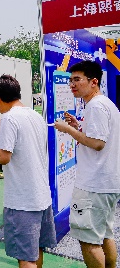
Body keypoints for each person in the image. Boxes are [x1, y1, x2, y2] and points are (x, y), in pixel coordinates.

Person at [0, 75, 56, 268]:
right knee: (36, 249)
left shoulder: (9, 118)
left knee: (25, 256)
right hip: (41, 196)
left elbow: (4, 156)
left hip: (22, 200)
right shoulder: (35, 116)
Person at [54, 61, 120, 268]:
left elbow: (98, 143)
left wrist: (68, 130)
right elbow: (99, 137)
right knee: (105, 234)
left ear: (93, 82)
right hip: (107, 183)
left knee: (89, 241)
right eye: (70, 80)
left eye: (77, 79)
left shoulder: (96, 106)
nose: (72, 84)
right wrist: (79, 126)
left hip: (94, 185)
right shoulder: (105, 104)